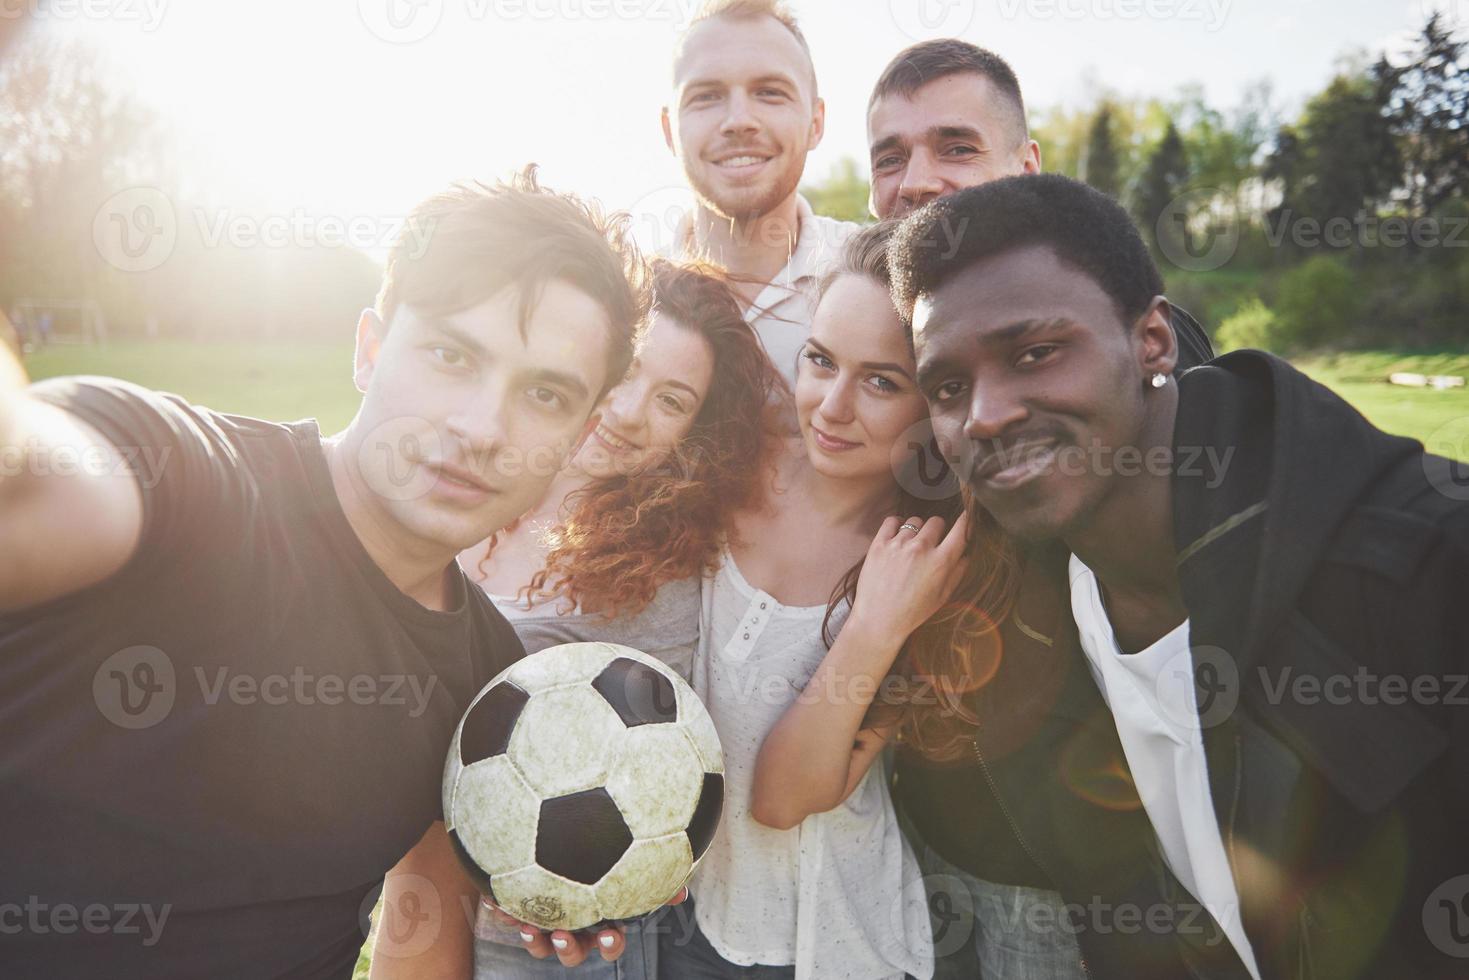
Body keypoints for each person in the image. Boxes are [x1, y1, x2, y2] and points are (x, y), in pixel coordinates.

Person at [0, 167, 652, 978]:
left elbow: (421, 930)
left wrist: (551, 865)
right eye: (452, 354)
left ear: (582, 433)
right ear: (369, 349)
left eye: (545, 396)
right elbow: (32, 479)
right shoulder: (183, 477)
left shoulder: (489, 679)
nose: (484, 428)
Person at [889, 173, 1469, 978]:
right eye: (947, 388)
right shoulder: (1024, 635)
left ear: (1150, 341)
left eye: (1034, 353)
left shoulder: (1431, 565)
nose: (983, 414)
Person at [655, 223, 984, 979]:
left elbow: (781, 797)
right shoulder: (727, 474)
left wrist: (873, 626)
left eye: (880, 382)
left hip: (828, 940)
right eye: (819, 361)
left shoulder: (924, 561)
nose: (831, 407)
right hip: (686, 912)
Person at [461, 259, 785, 979]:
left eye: (672, 400)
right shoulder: (476, 485)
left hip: (545, 936)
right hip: (424, 893)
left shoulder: (652, 580)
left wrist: (571, 894)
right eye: (628, 370)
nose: (632, 411)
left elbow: (651, 787)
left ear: (694, 432)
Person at [864, 38, 1215, 371]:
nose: (915, 184)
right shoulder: (848, 326)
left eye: (958, 150)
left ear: (1026, 169)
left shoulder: (1121, 327)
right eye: (890, 160)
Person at [660, 0, 857, 385]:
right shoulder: (623, 295)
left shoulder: (878, 281)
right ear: (669, 131)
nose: (738, 122)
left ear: (815, 123)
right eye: (705, 96)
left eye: (769, 92)